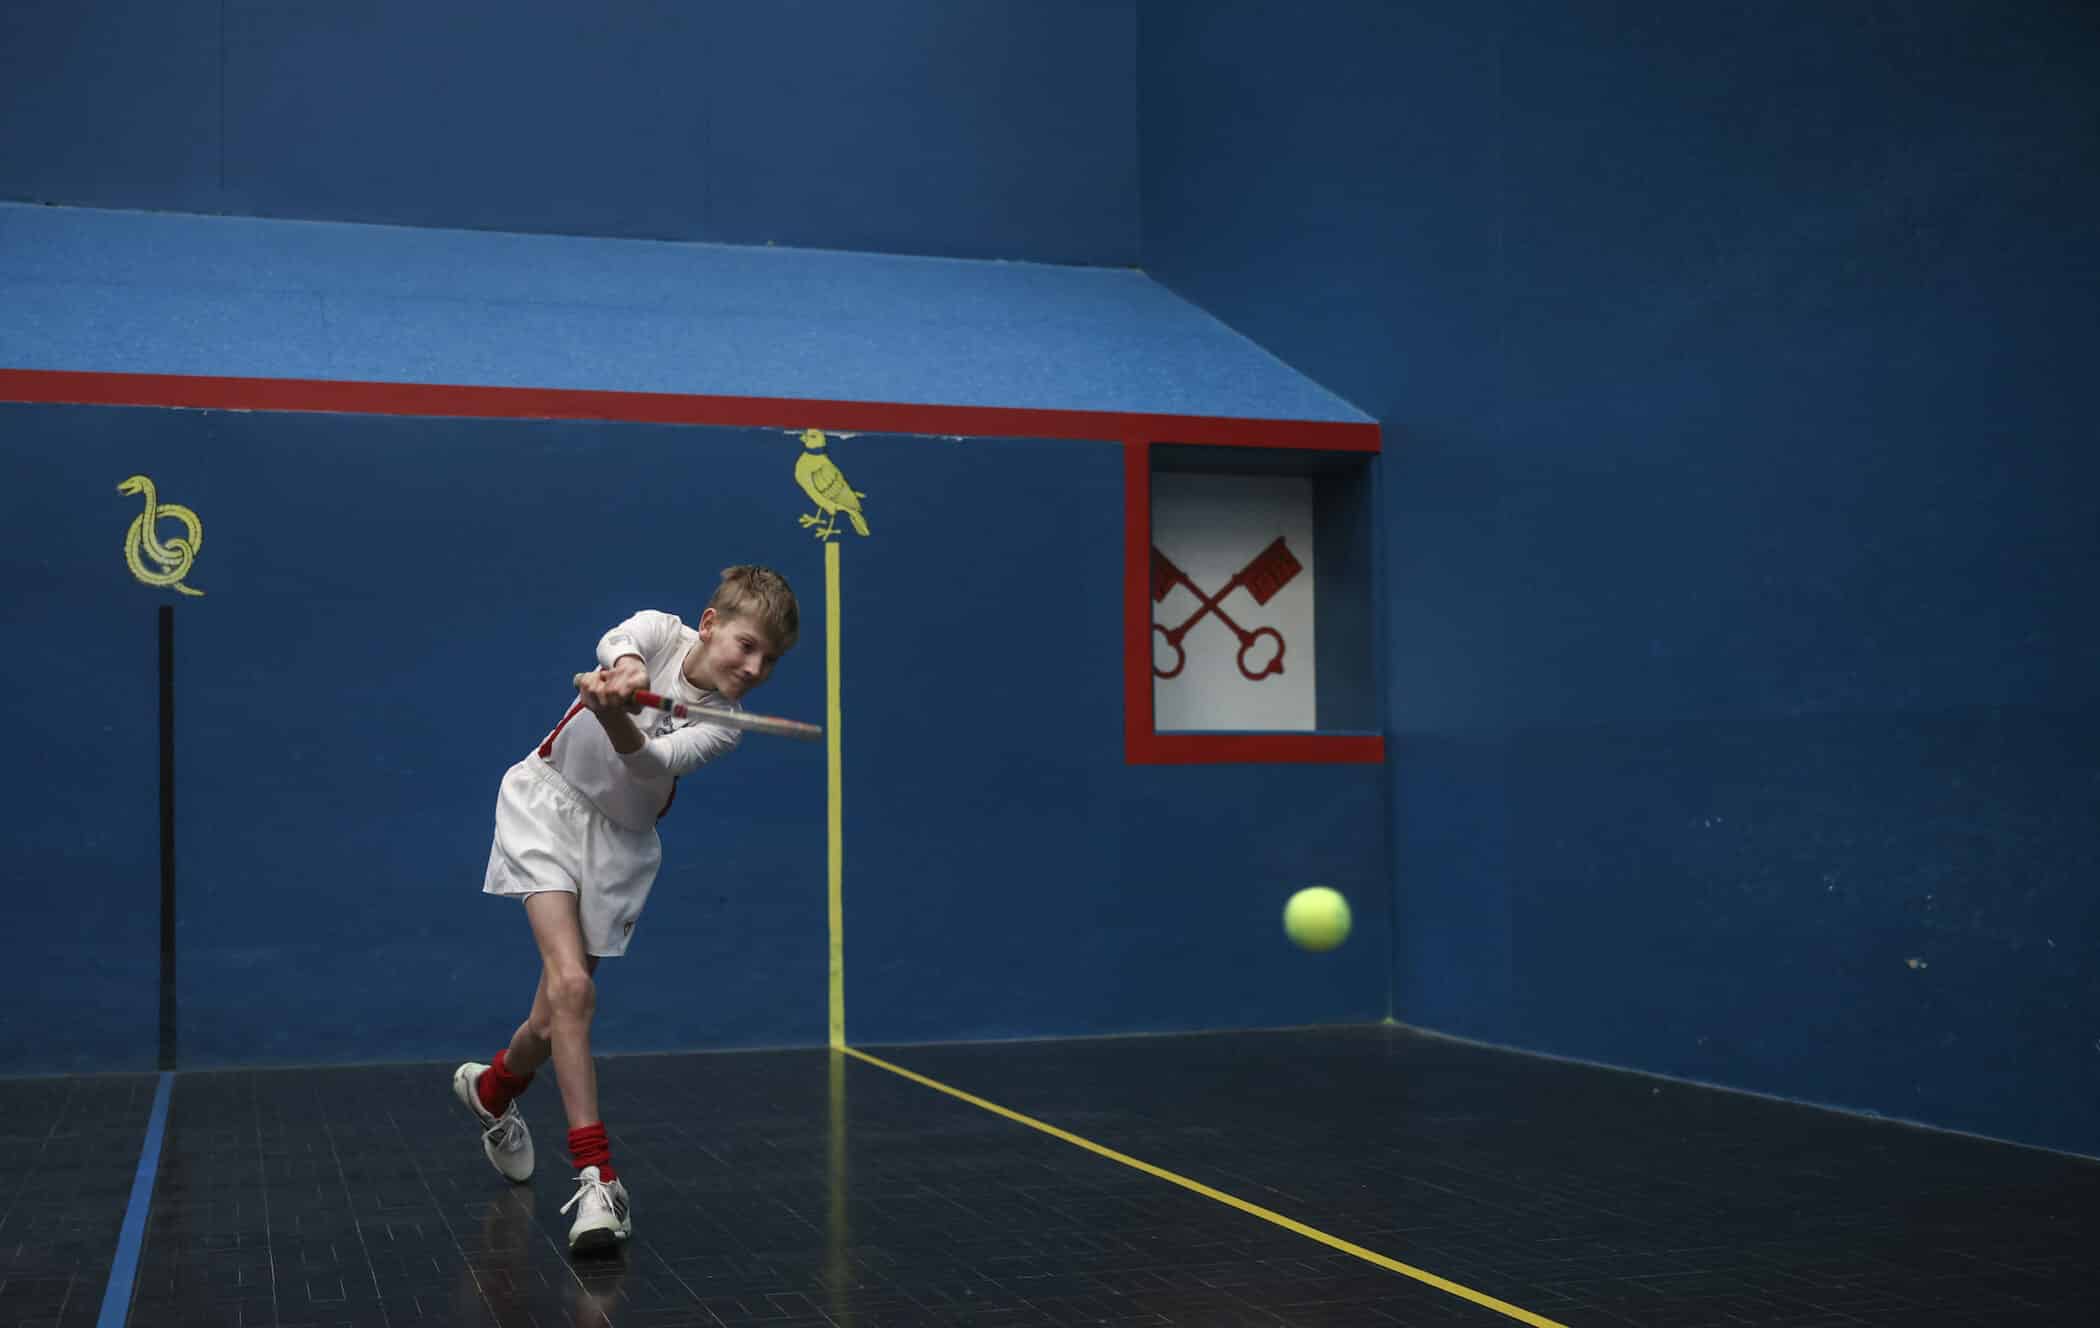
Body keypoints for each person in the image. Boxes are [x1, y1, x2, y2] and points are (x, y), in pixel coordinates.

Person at [450, 565, 799, 1254]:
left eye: (770, 659)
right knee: (573, 988)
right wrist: (624, 673)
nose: (755, 667)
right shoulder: (660, 633)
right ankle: (598, 1178)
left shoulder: (724, 726)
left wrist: (616, 720)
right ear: (707, 624)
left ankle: (492, 1089)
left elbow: (648, 767)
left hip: (620, 846)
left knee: (552, 1020)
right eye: (745, 645)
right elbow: (622, 639)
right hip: (544, 804)